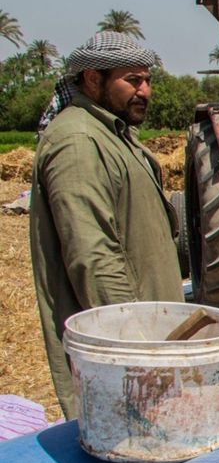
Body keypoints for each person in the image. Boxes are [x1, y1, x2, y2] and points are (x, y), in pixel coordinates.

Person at [29, 31, 181, 418]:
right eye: (132, 80)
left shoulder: (113, 135)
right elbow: (92, 255)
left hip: (148, 338)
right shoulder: (78, 141)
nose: (144, 90)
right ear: (93, 79)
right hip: (124, 353)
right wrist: (136, 346)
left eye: (147, 80)